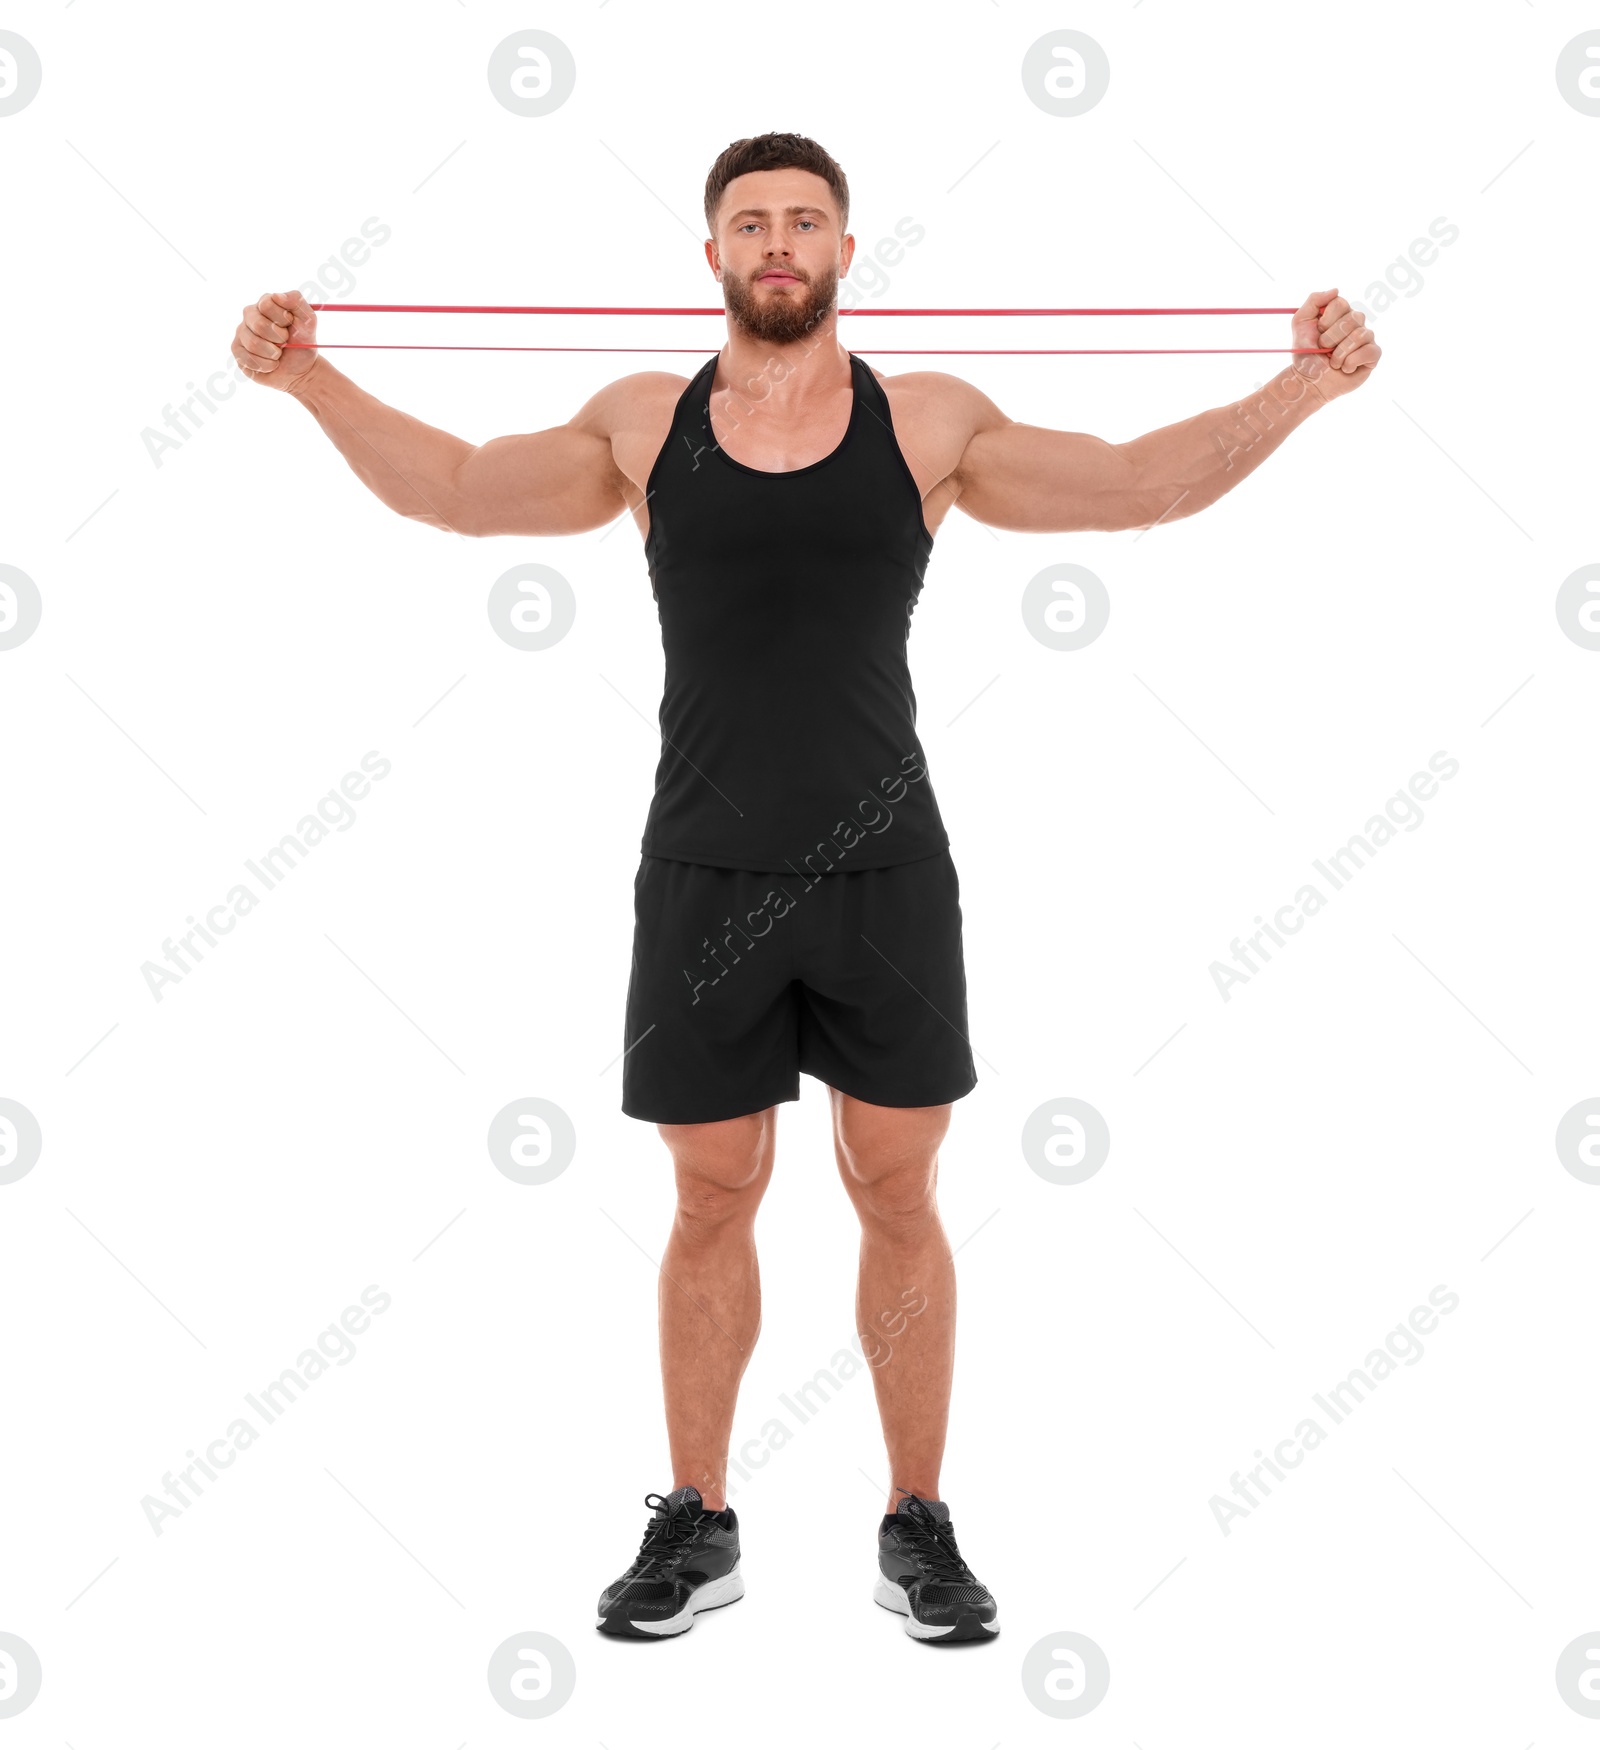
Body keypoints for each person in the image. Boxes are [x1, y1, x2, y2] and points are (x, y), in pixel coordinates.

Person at [230, 131, 1380, 1645]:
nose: (780, 242)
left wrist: (1307, 382)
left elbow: (1134, 487)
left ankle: (918, 1522)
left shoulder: (930, 426)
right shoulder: (645, 424)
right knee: (713, 1195)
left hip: (885, 877)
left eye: (807, 221)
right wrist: (305, 375)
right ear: (710, 254)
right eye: (752, 222)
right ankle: (699, 1521)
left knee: (895, 1189)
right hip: (702, 875)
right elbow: (452, 488)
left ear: (846, 250)